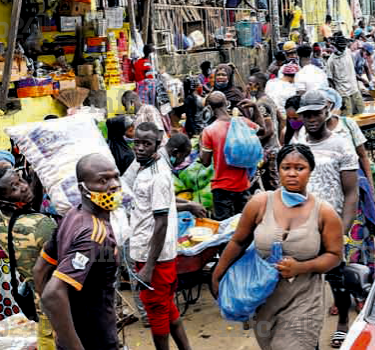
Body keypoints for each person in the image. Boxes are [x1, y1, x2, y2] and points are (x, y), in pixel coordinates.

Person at [211, 144, 343, 350]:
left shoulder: (324, 213)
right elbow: (239, 241)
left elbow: (334, 255)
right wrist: (217, 274)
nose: (292, 174)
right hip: (263, 299)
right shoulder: (260, 203)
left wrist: (301, 267)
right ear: (277, 169)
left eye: (299, 168)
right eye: (286, 167)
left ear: (310, 171)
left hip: (303, 299)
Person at [121, 126, 197, 350]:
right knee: (167, 308)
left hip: (153, 259)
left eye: (147, 144)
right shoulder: (145, 170)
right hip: (149, 254)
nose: (141, 148)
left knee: (157, 313)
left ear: (158, 145)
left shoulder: (158, 176)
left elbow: (161, 222)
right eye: (137, 143)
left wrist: (149, 267)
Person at [294, 90, 359, 348]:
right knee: (305, 282)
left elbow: (351, 192)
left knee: (337, 279)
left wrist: (343, 229)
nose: (311, 119)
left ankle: (343, 322)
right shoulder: (299, 141)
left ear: (326, 112)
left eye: (316, 113)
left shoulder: (341, 145)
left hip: (331, 223)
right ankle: (308, 330)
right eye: (306, 114)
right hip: (303, 224)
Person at [42, 153, 122, 350]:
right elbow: (52, 294)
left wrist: (59, 329)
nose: (113, 185)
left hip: (75, 332)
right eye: (102, 180)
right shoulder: (93, 234)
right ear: (82, 188)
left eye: (115, 177)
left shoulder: (72, 215)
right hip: (93, 339)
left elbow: (40, 269)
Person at [0, 167, 57, 349]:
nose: (23, 187)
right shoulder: (42, 226)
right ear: (1, 201)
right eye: (14, 187)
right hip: (56, 299)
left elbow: (26, 213)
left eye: (21, 180)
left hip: (37, 297)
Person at [200, 92, 265, 220]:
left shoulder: (209, 130)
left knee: (225, 229)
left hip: (221, 188)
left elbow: (205, 161)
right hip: (243, 185)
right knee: (244, 227)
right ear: (227, 104)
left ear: (208, 109)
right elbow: (263, 129)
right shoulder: (243, 123)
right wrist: (255, 108)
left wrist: (202, 146)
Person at [249, 72, 283, 191]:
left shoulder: (260, 104)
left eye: (250, 84)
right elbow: (281, 119)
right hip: (274, 147)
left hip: (269, 150)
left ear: (257, 85)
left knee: (272, 184)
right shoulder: (267, 99)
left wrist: (251, 141)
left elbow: (269, 130)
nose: (248, 87)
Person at [327, 32, 364, 117]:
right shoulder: (331, 61)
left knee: (360, 112)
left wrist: (361, 80)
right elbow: (330, 79)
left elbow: (351, 70)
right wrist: (336, 96)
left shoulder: (348, 52)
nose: (342, 48)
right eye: (340, 46)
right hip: (343, 93)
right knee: (347, 116)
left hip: (354, 88)